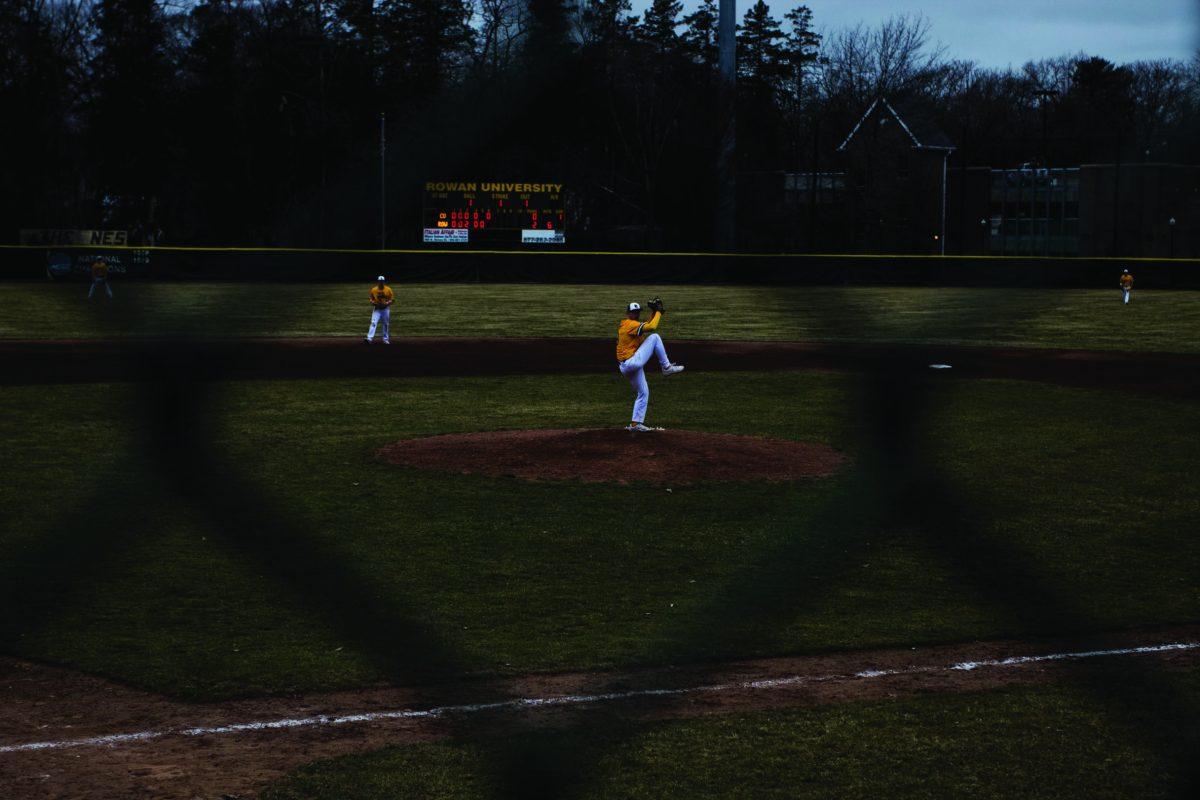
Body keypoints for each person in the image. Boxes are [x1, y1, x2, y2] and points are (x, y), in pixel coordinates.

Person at [616, 297, 684, 431]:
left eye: (638, 312)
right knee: (655, 337)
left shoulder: (633, 326)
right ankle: (666, 367)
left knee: (643, 393)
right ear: (628, 313)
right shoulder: (629, 324)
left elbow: (648, 323)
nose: (636, 314)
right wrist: (658, 312)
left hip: (627, 366)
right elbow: (652, 327)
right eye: (633, 312)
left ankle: (636, 424)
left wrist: (655, 313)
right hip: (631, 362)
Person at [365, 275, 393, 344]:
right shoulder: (374, 289)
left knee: (385, 324)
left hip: (385, 310)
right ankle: (369, 339)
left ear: (384, 282)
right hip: (377, 310)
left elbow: (392, 299)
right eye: (380, 281)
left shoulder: (388, 289)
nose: (381, 282)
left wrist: (387, 303)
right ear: (378, 281)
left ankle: (385, 339)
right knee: (373, 323)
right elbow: (371, 299)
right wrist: (372, 302)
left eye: (382, 281)